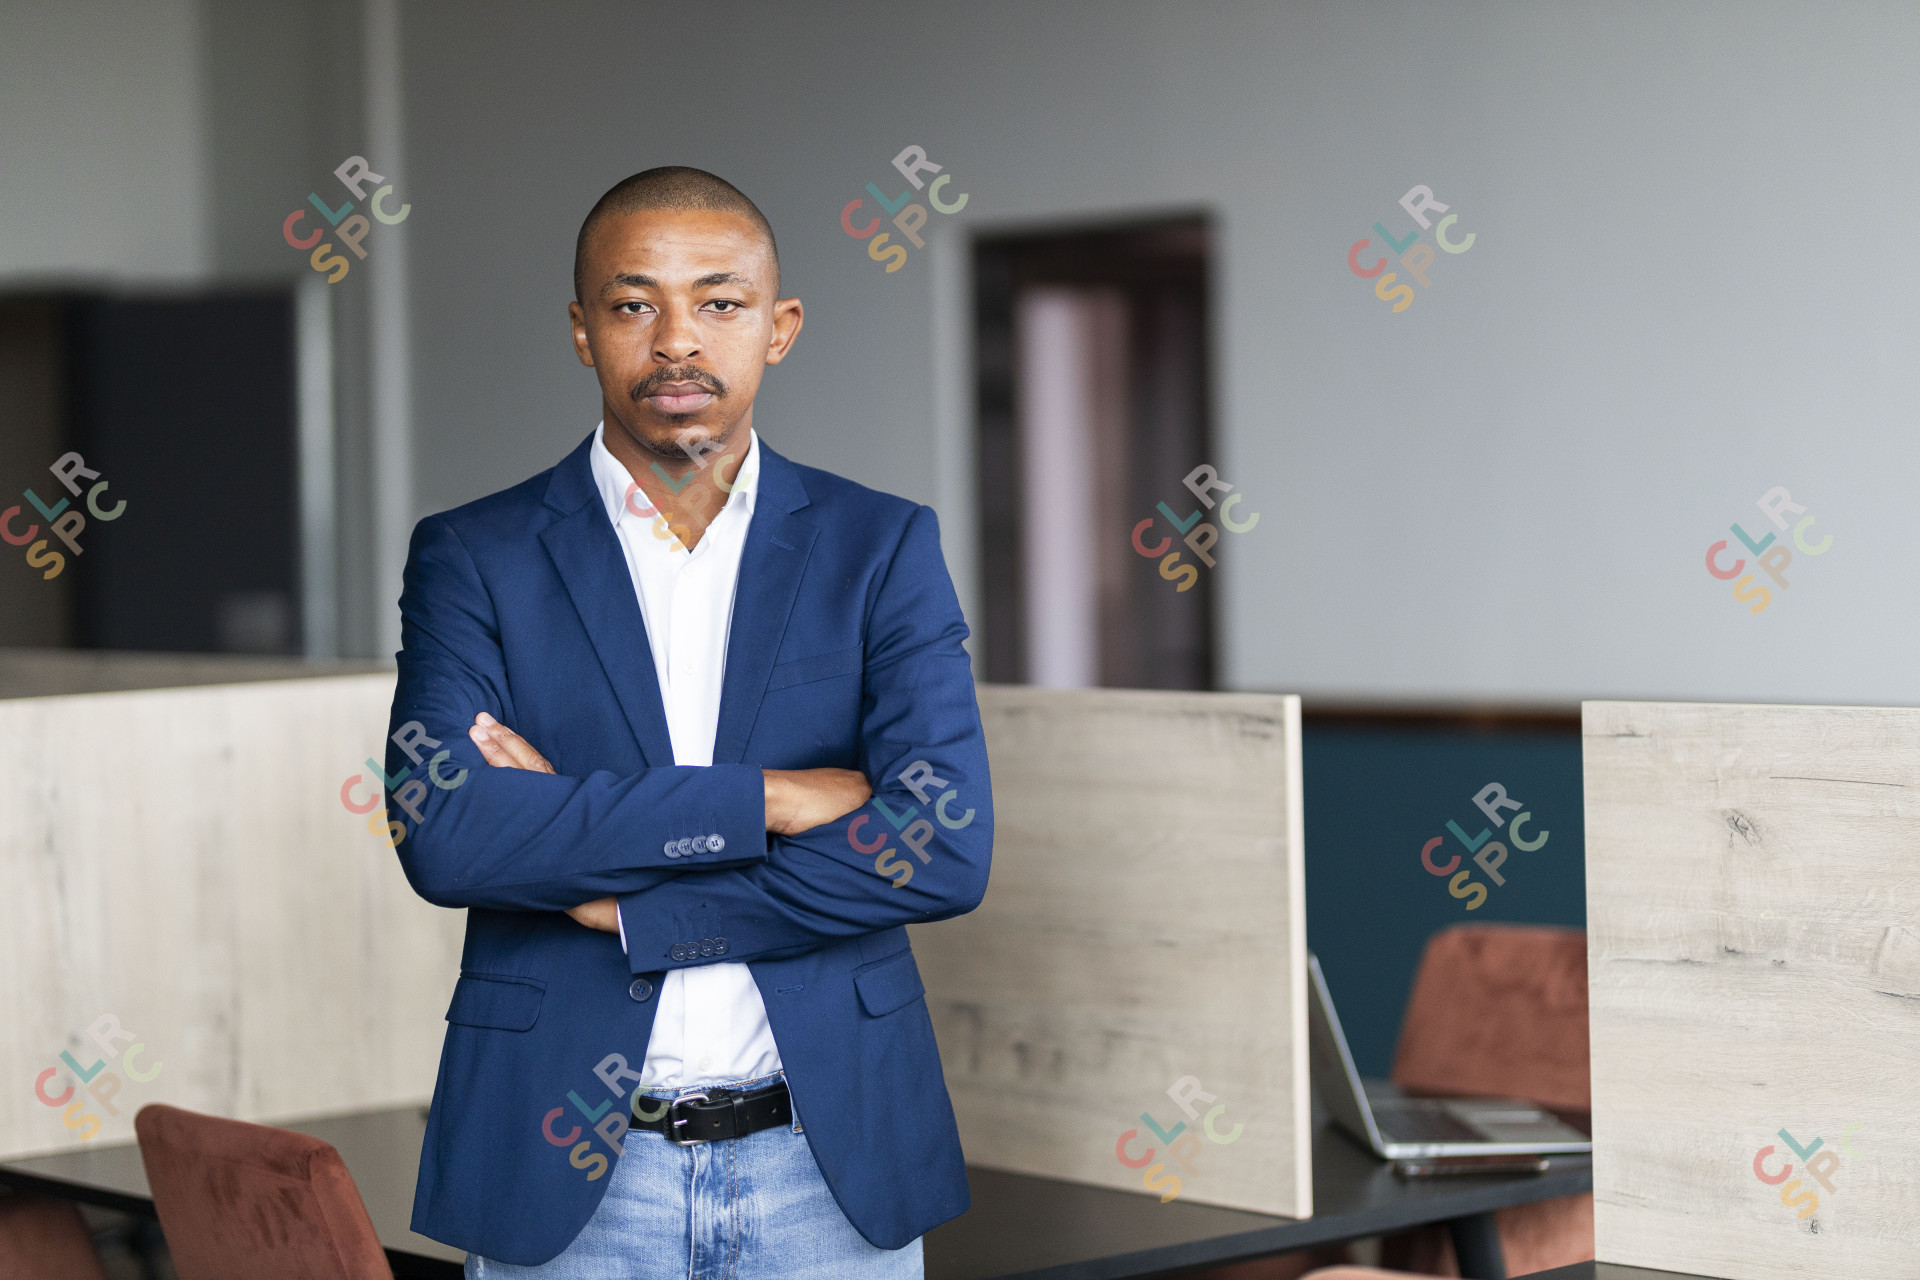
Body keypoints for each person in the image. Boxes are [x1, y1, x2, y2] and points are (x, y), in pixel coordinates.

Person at [385, 166, 993, 1279]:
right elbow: (447, 832)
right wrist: (772, 794)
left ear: (780, 327)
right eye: (633, 305)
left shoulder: (881, 546)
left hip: (829, 1164)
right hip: (562, 1168)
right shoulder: (475, 555)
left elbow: (941, 847)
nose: (677, 340)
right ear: (582, 330)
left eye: (719, 302)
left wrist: (625, 903)